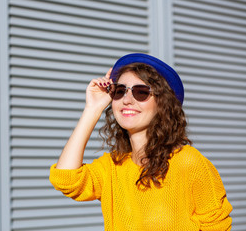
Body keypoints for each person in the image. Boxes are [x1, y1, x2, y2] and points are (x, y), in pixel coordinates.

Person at [49, 53, 232, 230]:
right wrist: (93, 109)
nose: (127, 100)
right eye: (120, 91)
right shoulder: (113, 167)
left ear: (163, 104)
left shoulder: (189, 162)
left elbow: (217, 227)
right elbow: (67, 179)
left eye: (141, 92)